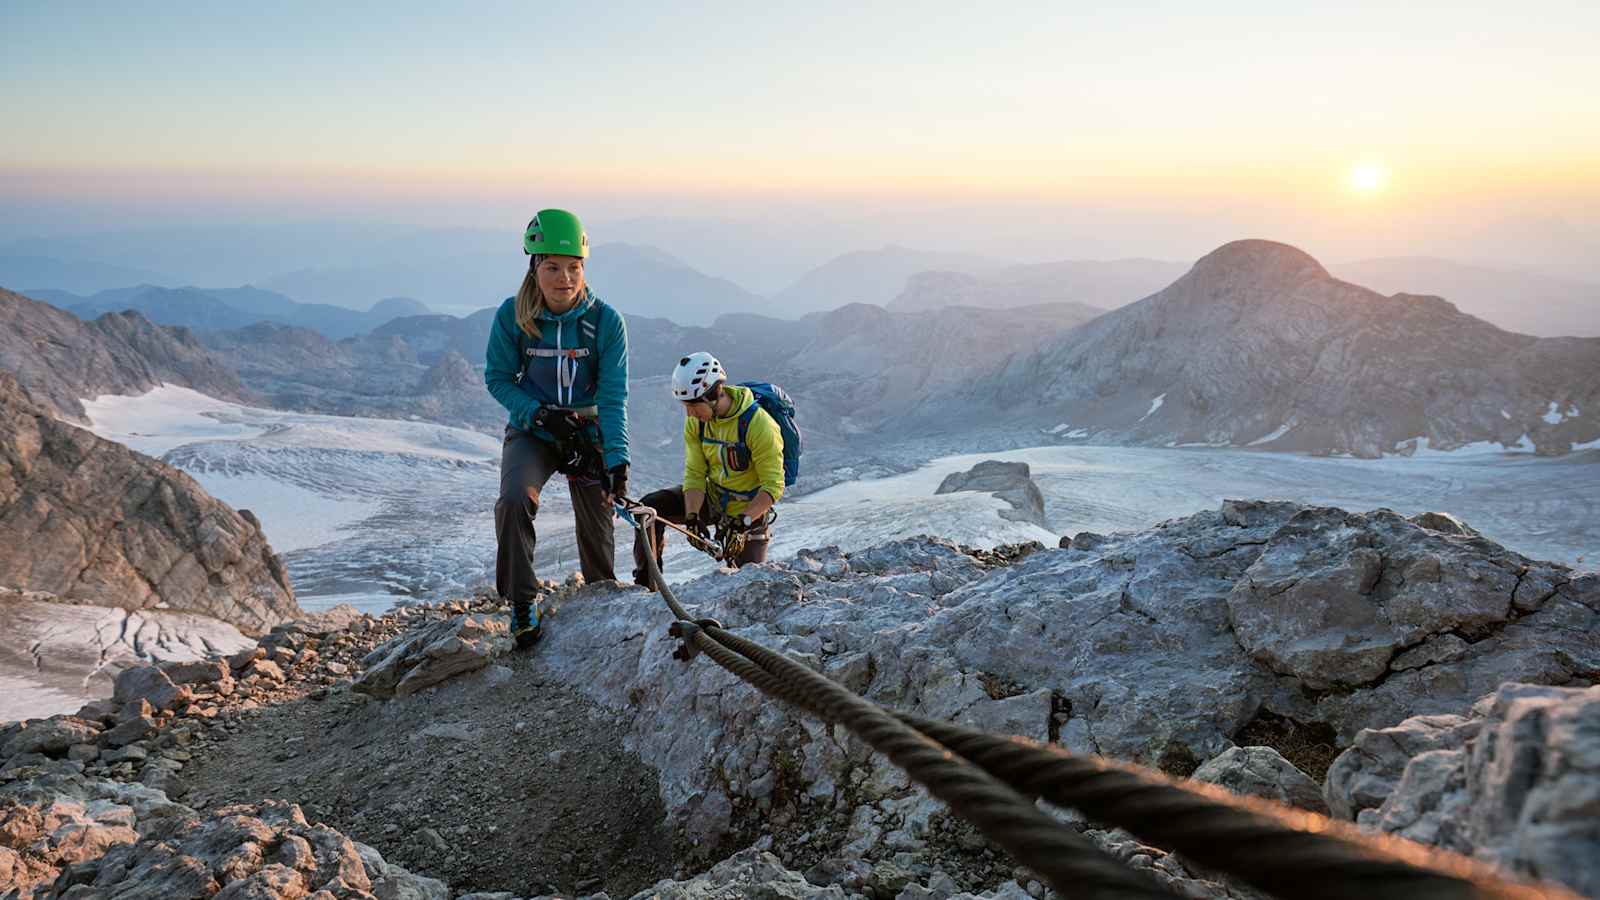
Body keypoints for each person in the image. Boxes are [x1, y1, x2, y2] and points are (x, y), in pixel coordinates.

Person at [484, 209, 629, 649]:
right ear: (534, 268)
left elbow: (613, 396)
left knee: (598, 524)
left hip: (587, 431)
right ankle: (522, 604)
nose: (564, 278)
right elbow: (497, 378)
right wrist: (539, 414)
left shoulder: (606, 322)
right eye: (552, 267)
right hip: (535, 430)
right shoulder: (513, 317)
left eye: (573, 267)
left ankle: (602, 598)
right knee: (513, 500)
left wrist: (617, 461)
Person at [632, 352, 783, 586]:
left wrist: (741, 523)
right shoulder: (697, 423)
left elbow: (773, 486)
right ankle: (647, 586)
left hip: (749, 512)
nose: (689, 413)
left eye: (693, 405)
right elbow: (694, 474)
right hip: (714, 499)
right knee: (649, 509)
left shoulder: (759, 425)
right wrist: (692, 516)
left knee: (748, 583)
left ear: (713, 395)